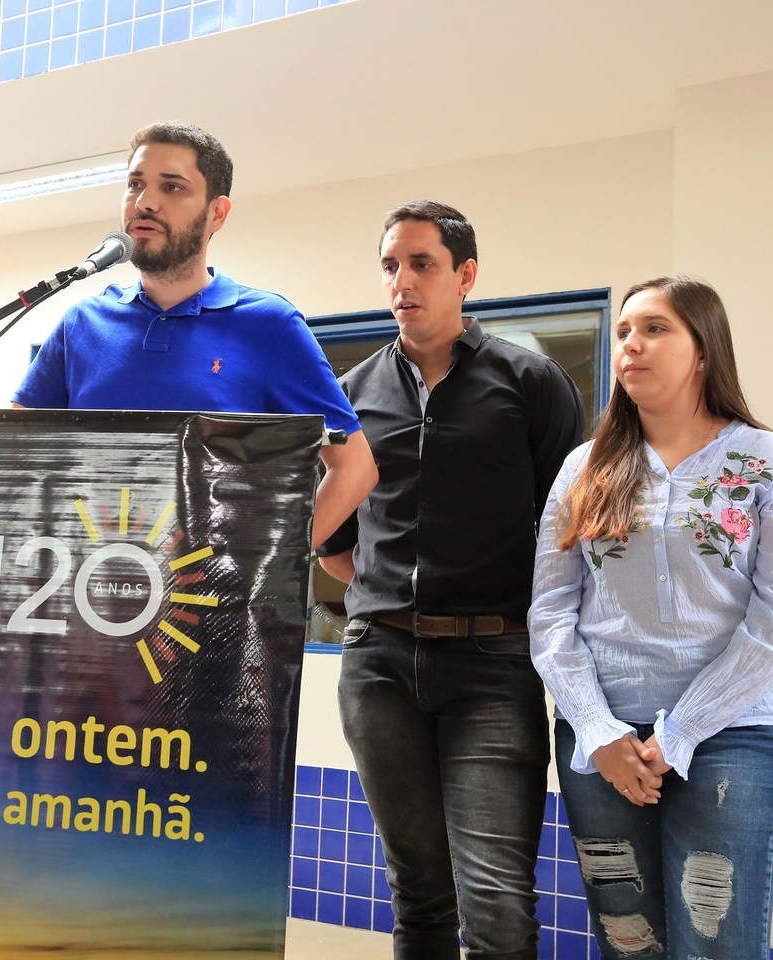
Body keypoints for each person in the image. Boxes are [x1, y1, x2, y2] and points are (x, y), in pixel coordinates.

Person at [316, 199, 585, 958]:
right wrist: (387, 598)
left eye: (422, 264)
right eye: (390, 266)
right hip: (379, 667)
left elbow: (569, 533)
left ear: (465, 275)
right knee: (420, 898)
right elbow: (333, 545)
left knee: (497, 905)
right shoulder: (351, 394)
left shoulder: (531, 382)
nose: (402, 281)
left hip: (492, 665)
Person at [529, 275, 773, 958]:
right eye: (624, 331)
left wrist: (683, 730)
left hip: (732, 734)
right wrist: (596, 729)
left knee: (715, 943)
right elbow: (550, 612)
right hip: (603, 741)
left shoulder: (769, 463)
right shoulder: (583, 469)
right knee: (627, 940)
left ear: (704, 351)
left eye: (655, 328)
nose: (630, 344)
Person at [0, 120, 376, 548]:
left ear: (217, 213)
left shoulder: (269, 324)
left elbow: (354, 467)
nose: (144, 202)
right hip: (81, 586)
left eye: (172, 187)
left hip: (206, 598)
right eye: (135, 184)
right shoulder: (82, 323)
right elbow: (0, 461)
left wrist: (269, 565)